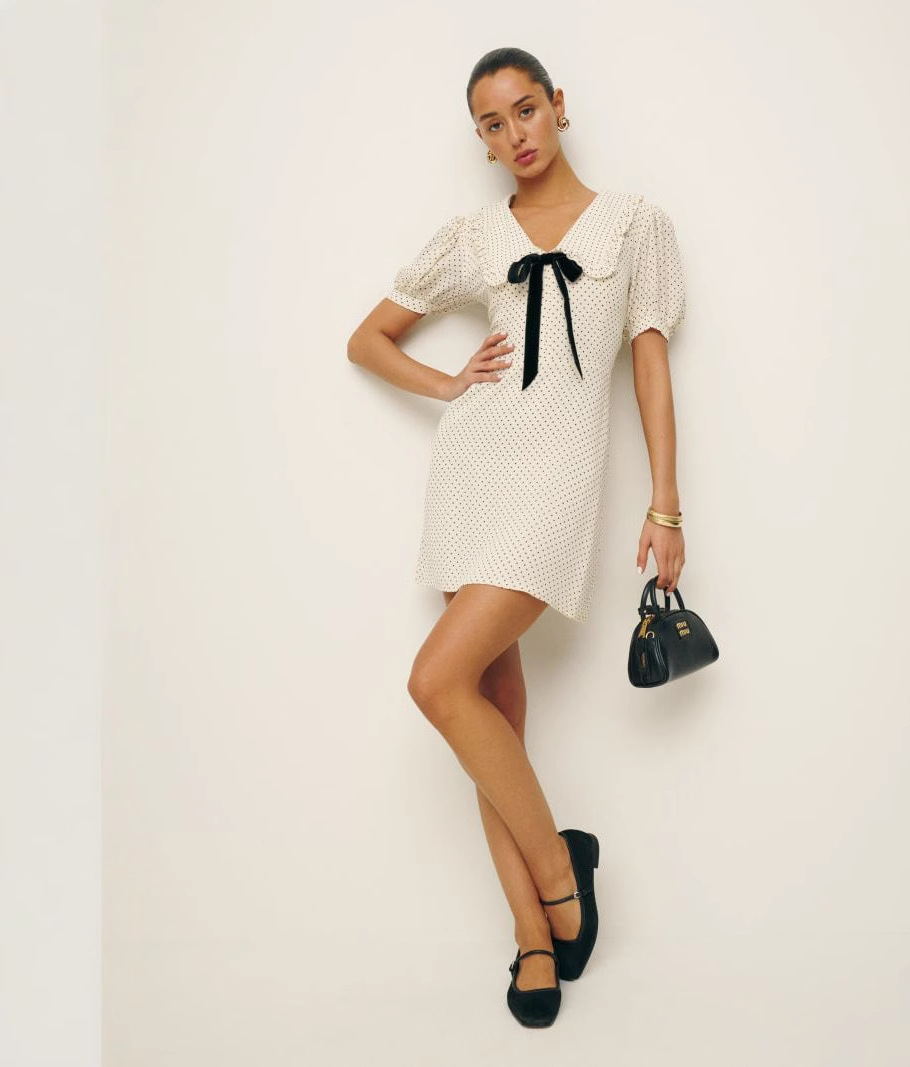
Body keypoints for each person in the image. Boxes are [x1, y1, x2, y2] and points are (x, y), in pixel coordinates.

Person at [346, 47, 687, 1028]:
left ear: (557, 106)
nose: (514, 135)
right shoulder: (473, 235)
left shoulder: (633, 222)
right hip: (472, 473)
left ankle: (560, 870)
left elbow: (649, 366)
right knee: (486, 704)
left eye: (524, 110)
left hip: (554, 482)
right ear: (482, 141)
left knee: (434, 681)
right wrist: (448, 382)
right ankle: (533, 931)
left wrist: (665, 503)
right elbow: (366, 339)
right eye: (492, 125)